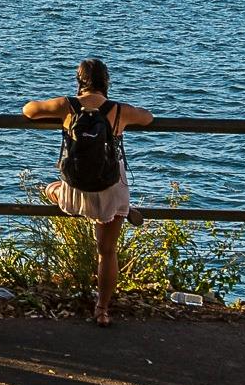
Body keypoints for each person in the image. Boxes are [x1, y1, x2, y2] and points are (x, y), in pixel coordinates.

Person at [25, 60, 152, 326]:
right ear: (106, 81)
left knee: (51, 188)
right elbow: (148, 117)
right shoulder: (119, 110)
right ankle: (102, 310)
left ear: (79, 80)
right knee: (107, 251)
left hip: (76, 189)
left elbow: (29, 110)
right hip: (111, 188)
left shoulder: (66, 105)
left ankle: (57, 193)